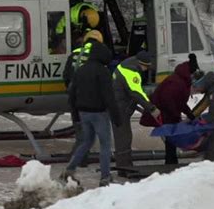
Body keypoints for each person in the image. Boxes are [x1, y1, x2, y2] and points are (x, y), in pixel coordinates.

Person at [60, 36, 121, 187]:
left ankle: (69, 169)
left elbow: (72, 93)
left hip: (83, 112)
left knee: (86, 142)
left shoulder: (80, 70)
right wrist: (116, 117)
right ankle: (105, 177)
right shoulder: (103, 72)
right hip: (99, 113)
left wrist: (75, 115)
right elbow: (109, 97)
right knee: (105, 145)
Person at [146, 54, 199, 164]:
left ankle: (171, 161)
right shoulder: (177, 82)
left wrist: (189, 114)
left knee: (171, 140)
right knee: (170, 140)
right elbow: (168, 99)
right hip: (166, 114)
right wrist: (175, 114)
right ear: (190, 73)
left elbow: (180, 102)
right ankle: (170, 163)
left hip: (169, 113)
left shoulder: (181, 80)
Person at [112, 50, 160, 169]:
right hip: (120, 109)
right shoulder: (131, 71)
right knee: (124, 137)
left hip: (118, 106)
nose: (146, 70)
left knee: (123, 136)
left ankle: (124, 165)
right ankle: (124, 167)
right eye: (146, 67)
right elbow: (136, 92)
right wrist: (151, 108)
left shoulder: (127, 64)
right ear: (141, 64)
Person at [63, 30, 104, 167]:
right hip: (89, 97)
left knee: (79, 126)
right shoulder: (97, 55)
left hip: (73, 96)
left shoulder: (75, 53)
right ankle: (77, 159)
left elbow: (66, 75)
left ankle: (80, 157)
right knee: (88, 133)